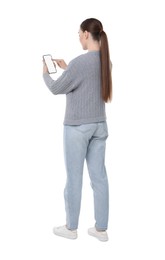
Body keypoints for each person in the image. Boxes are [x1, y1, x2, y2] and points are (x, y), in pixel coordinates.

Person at [42, 18, 112, 242]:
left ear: (85, 35)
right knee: (99, 178)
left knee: (74, 178)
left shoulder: (80, 63)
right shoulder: (106, 62)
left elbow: (56, 88)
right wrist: (67, 68)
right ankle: (101, 229)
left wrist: (46, 72)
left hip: (77, 128)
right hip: (99, 126)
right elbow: (87, 79)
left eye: (79, 33)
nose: (78, 37)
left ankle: (71, 228)